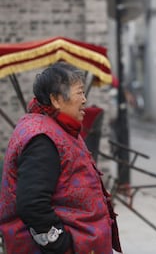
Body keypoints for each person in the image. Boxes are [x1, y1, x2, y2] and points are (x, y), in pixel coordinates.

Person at [0, 62, 122, 254]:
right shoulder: (42, 139)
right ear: (56, 100)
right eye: (79, 93)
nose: (84, 99)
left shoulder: (59, 129)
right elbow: (33, 204)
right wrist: (61, 244)